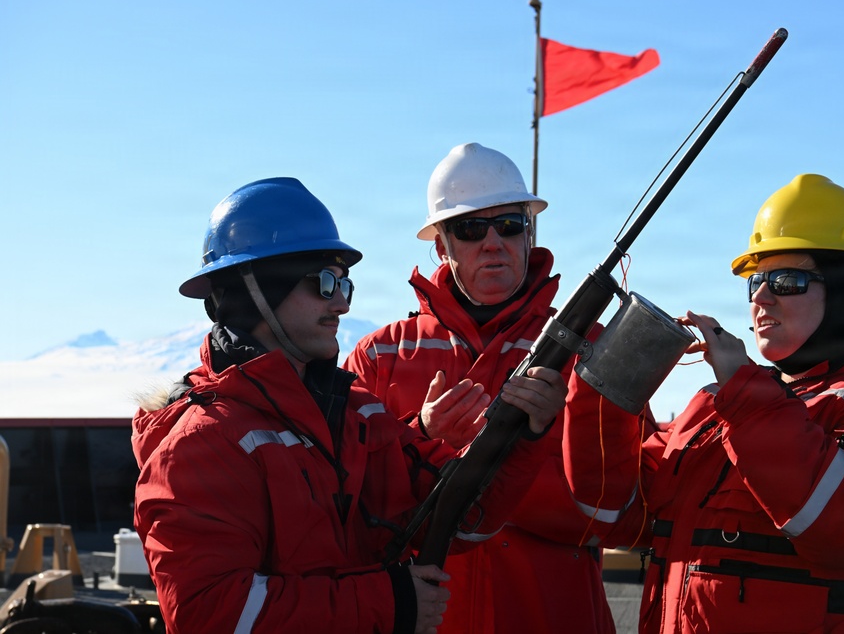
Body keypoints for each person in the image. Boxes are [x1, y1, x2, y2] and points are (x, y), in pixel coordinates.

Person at [132, 177, 562, 634]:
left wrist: (524, 434)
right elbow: (211, 614)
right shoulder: (200, 444)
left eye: (344, 283)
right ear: (256, 291)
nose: (340, 302)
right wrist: (390, 601)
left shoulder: (355, 413)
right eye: (323, 281)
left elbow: (458, 518)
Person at [562, 173, 844, 633]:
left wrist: (743, 390)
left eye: (787, 281)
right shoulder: (716, 407)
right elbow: (615, 515)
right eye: (757, 282)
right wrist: (604, 388)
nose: (762, 297)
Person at [344, 143, 642, 634]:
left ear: (529, 233)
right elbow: (346, 499)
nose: (492, 243)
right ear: (441, 245)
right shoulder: (379, 355)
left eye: (508, 225)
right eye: (469, 228)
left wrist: (523, 452)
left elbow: (622, 516)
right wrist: (419, 437)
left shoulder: (593, 349)